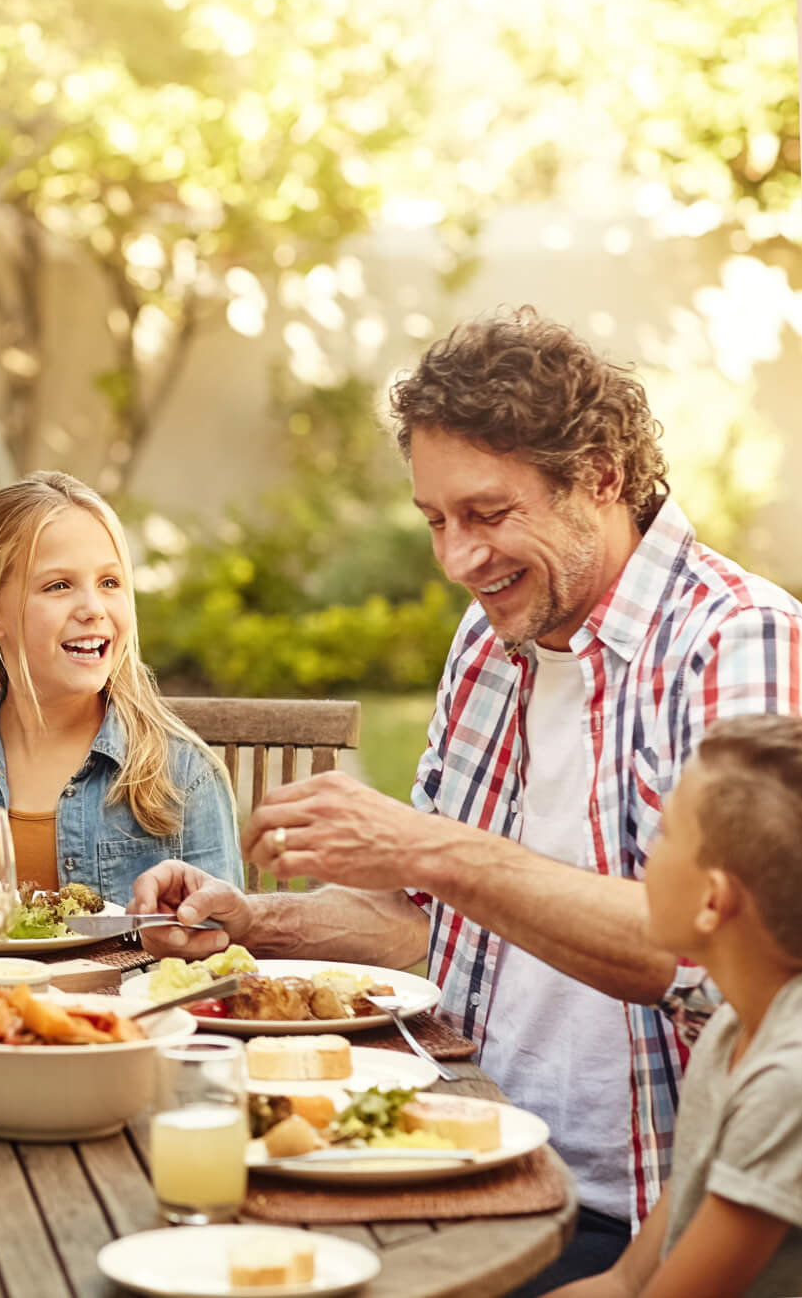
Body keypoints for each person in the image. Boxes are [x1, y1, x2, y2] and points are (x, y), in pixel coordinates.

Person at [129, 309, 802, 1280]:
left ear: (600, 478)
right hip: (462, 1152)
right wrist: (255, 921)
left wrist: (427, 847)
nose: (456, 560)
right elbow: (432, 930)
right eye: (436, 521)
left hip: (633, 1213)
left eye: (487, 515)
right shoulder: (492, 641)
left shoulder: (737, 643)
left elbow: (711, 958)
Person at [0, 471, 241, 902]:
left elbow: (220, 951)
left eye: (110, 583)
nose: (93, 609)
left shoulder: (183, 775)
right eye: (59, 585)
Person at [551, 714, 802, 1298]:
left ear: (712, 901)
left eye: (665, 836)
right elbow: (625, 1280)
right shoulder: (733, 1027)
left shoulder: (785, 1084)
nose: (646, 856)